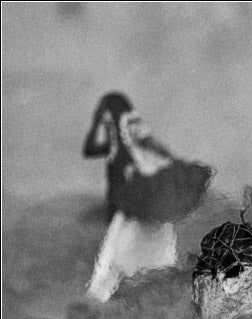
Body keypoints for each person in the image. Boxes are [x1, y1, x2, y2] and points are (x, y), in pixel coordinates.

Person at [83, 91, 212, 302]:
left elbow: (154, 158)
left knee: (125, 262)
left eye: (105, 114)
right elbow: (91, 149)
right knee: (125, 262)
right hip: (137, 212)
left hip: (143, 213)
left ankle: (120, 302)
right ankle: (117, 302)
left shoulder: (134, 137)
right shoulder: (119, 143)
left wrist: (131, 146)